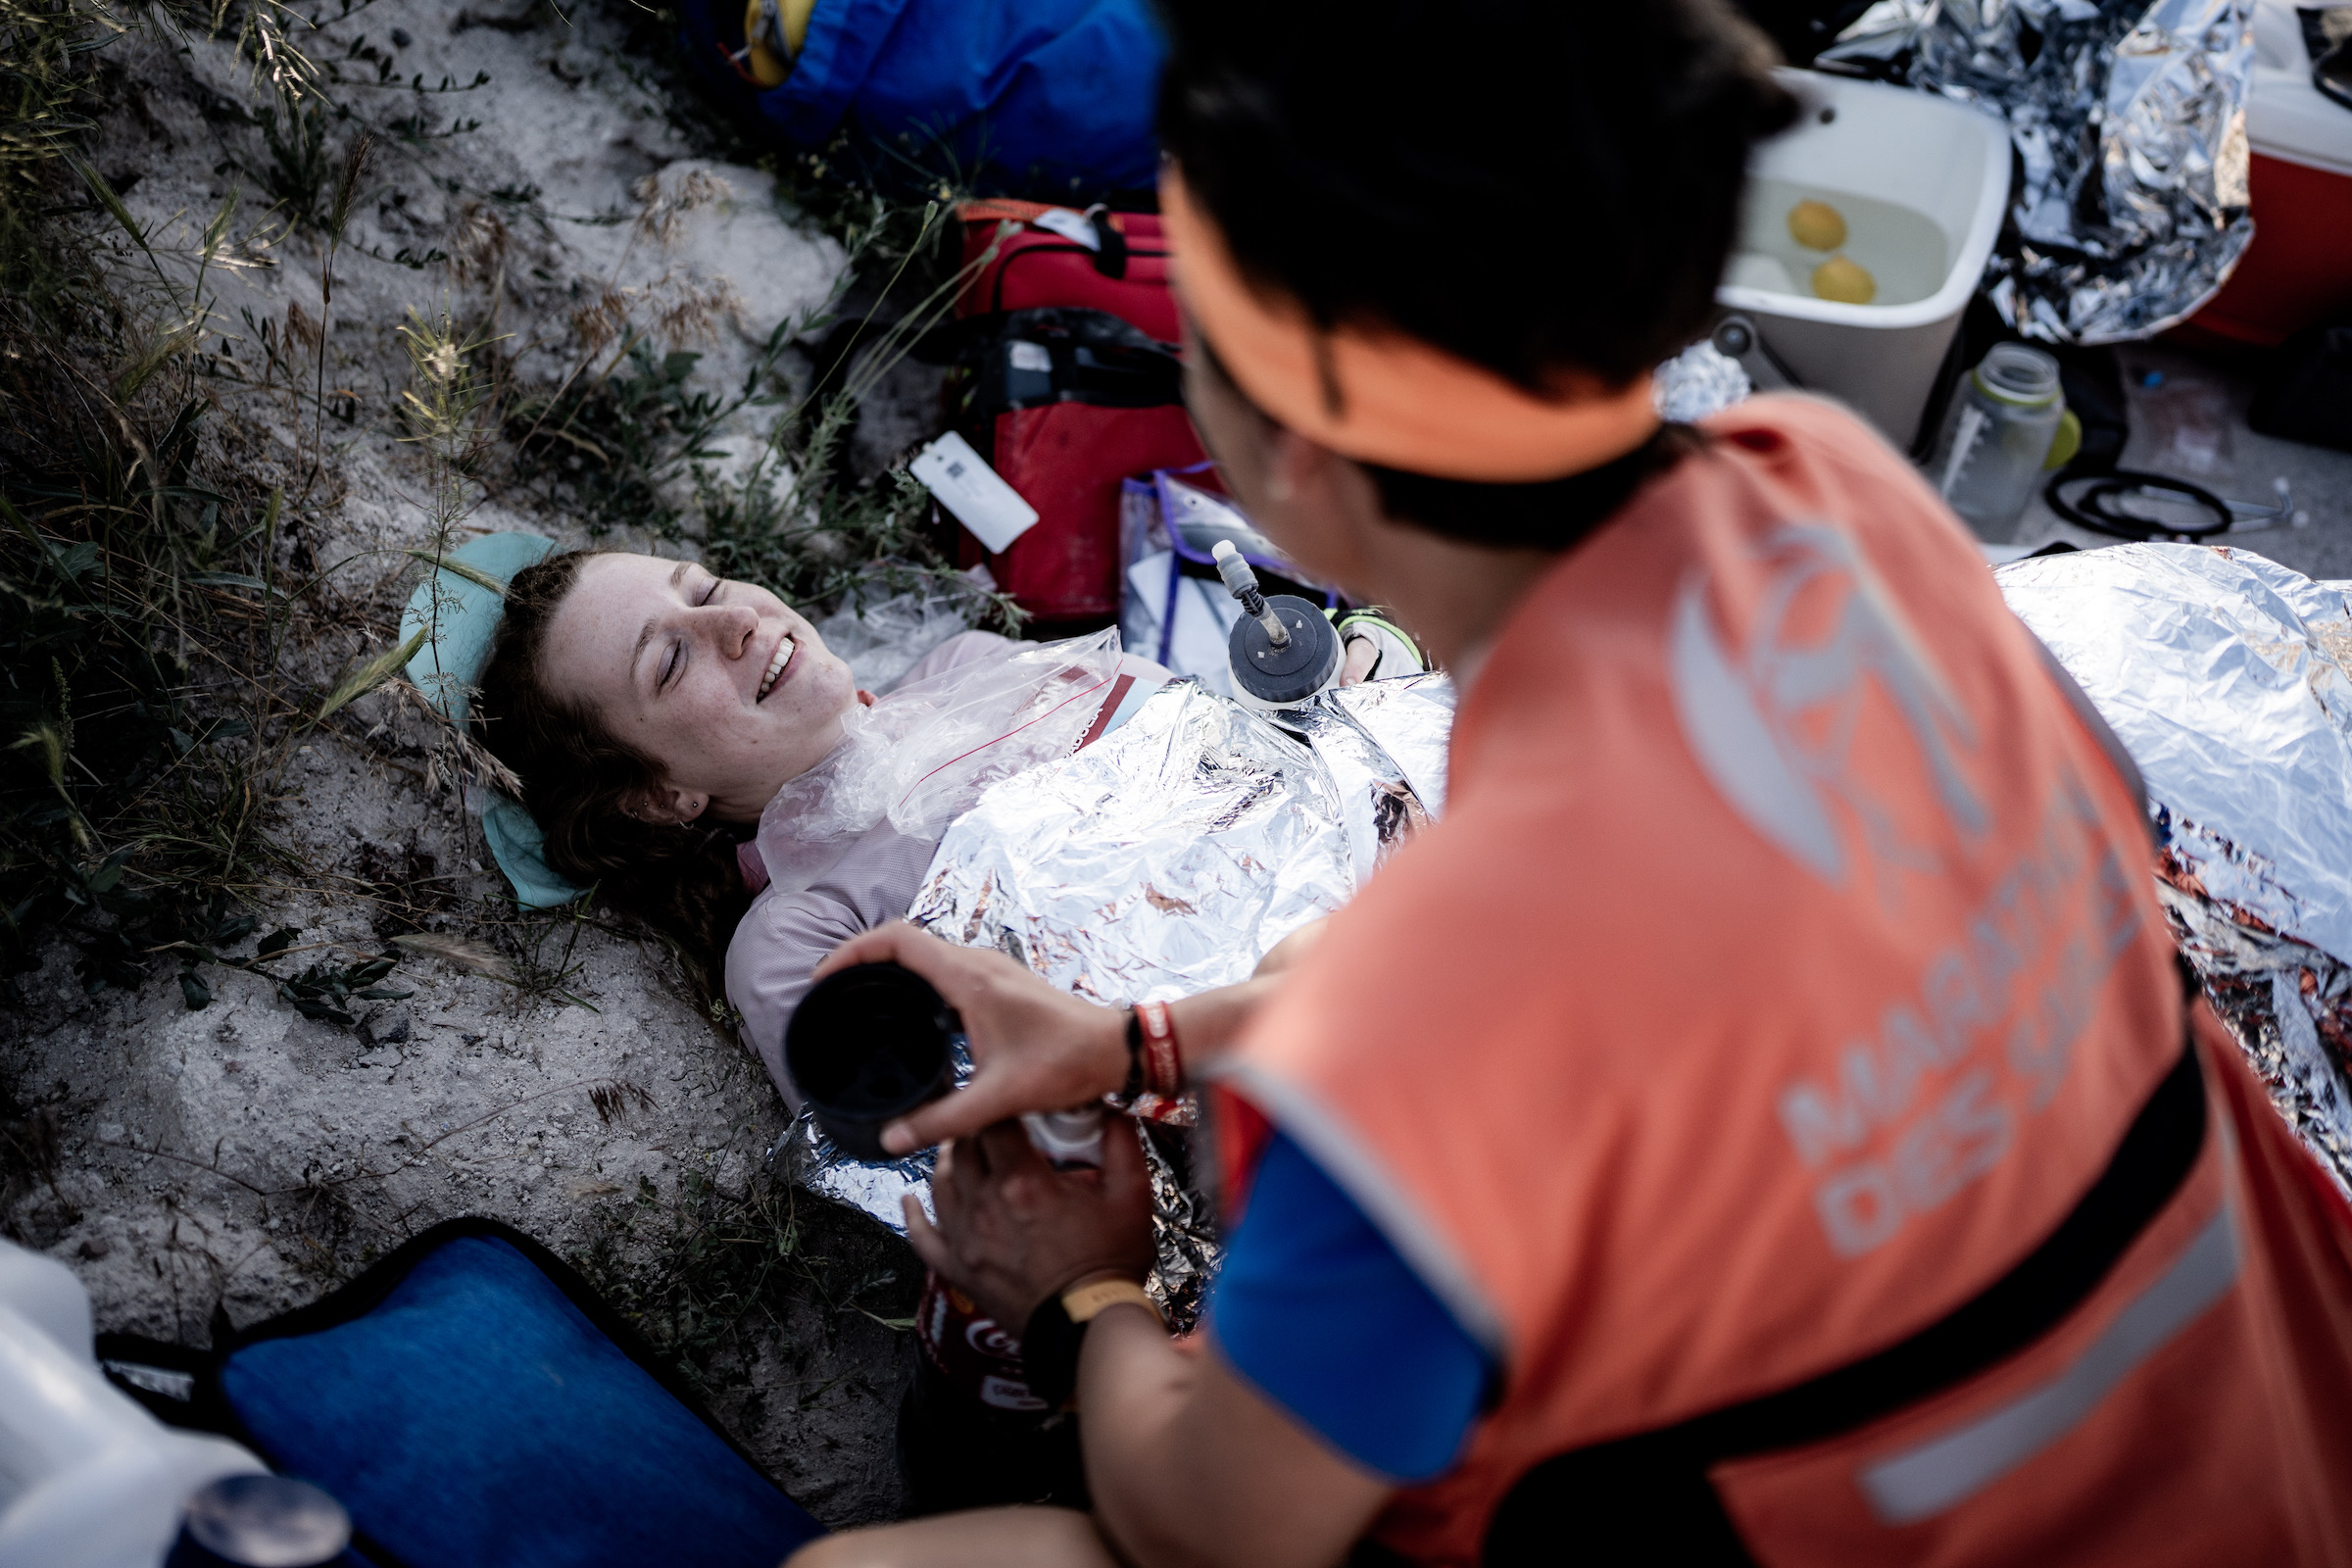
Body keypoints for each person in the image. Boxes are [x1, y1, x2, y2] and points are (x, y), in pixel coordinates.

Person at [789, 0, 2352, 1563]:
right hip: (2277, 1419)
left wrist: (1079, 1296)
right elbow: (1671, 983)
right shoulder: (1826, 492)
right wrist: (1139, 1042)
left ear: (1299, 455)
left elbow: (1220, 1526)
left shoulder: (1417, 1032)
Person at [470, 549, 1173, 1106]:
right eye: (672, 661)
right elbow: (956, 1147)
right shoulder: (794, 941)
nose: (737, 619)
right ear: (658, 796)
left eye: (705, 590)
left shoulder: (973, 666)